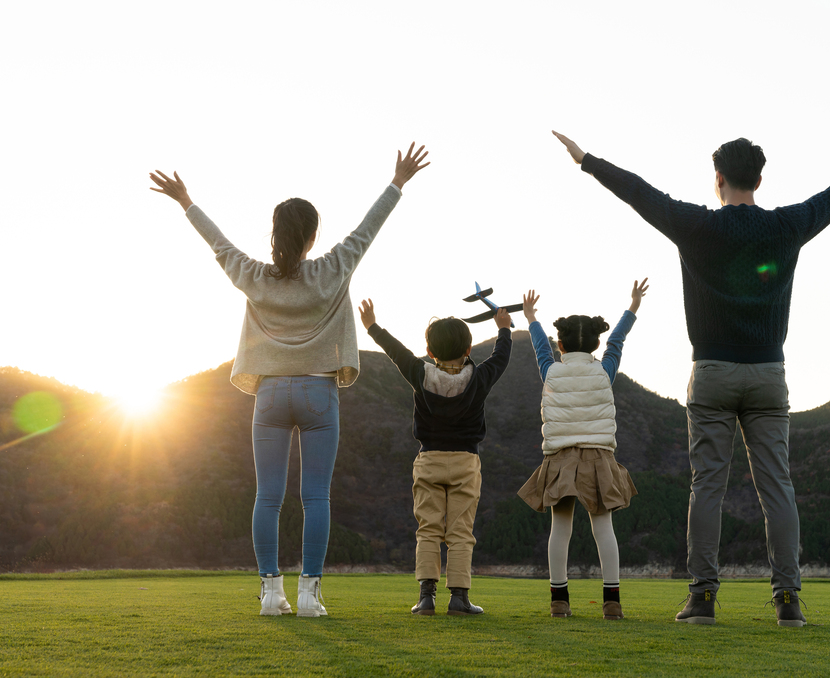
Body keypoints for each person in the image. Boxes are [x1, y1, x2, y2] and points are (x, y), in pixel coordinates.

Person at [552, 130, 830, 626]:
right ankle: (788, 602)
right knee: (777, 488)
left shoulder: (694, 224)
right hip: (768, 373)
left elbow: (639, 191)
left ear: (717, 180)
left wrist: (586, 160)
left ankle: (702, 599)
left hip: (713, 372)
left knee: (708, 488)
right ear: (759, 180)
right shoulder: (787, 224)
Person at [148, 143, 430, 617]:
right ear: (313, 236)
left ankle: (270, 593)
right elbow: (368, 230)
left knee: (268, 497)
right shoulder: (333, 268)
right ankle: (309, 594)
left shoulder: (253, 276)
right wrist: (398, 182)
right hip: (319, 391)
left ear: (275, 234)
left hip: (271, 394)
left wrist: (186, 201)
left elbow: (218, 244)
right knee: (316, 496)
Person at [358, 300, 512, 615]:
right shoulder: (479, 378)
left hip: (428, 459)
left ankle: (426, 597)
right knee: (460, 531)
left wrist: (373, 326)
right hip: (466, 461)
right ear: (469, 348)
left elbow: (396, 351)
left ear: (429, 351)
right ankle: (459, 598)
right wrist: (504, 329)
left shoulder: (419, 373)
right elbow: (501, 358)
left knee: (428, 528)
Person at [517, 281, 647, 620]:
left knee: (560, 528)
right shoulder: (603, 371)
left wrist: (531, 318)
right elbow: (617, 341)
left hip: (560, 457)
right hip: (598, 456)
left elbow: (539, 350)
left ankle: (559, 601)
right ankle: (612, 603)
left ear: (560, 344)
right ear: (595, 344)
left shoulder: (551, 372)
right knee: (603, 528)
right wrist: (632, 306)